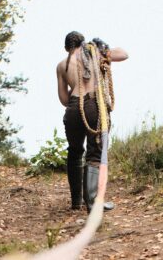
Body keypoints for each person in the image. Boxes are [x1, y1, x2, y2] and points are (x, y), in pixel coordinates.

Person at [56, 31, 128, 211]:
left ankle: (76, 201)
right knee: (95, 153)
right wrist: (102, 48)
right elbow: (124, 54)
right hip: (93, 106)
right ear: (83, 43)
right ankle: (93, 202)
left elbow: (64, 99)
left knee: (74, 152)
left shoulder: (61, 65)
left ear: (67, 48)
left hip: (73, 108)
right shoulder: (95, 53)